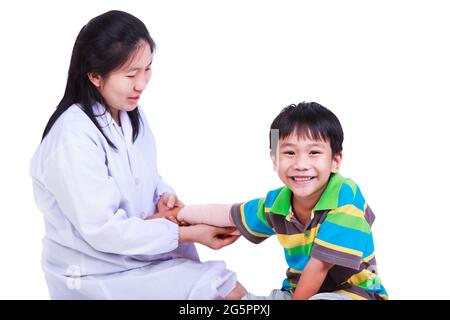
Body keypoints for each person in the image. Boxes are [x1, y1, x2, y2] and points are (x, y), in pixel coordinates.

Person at [30, 10, 247, 300]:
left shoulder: (130, 115)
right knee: (221, 288)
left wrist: (164, 197)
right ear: (95, 76)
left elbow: (147, 176)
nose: (141, 83)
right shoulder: (72, 138)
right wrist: (188, 233)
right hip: (95, 273)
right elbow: (103, 229)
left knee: (224, 287)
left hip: (136, 255)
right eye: (131, 74)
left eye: (147, 69)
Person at [154, 102, 388, 300]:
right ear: (275, 160)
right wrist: (181, 213)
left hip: (356, 293)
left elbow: (318, 268)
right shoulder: (278, 202)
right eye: (289, 153)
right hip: (297, 292)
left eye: (314, 153)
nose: (301, 164)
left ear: (335, 161)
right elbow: (228, 214)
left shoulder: (345, 197)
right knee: (222, 291)